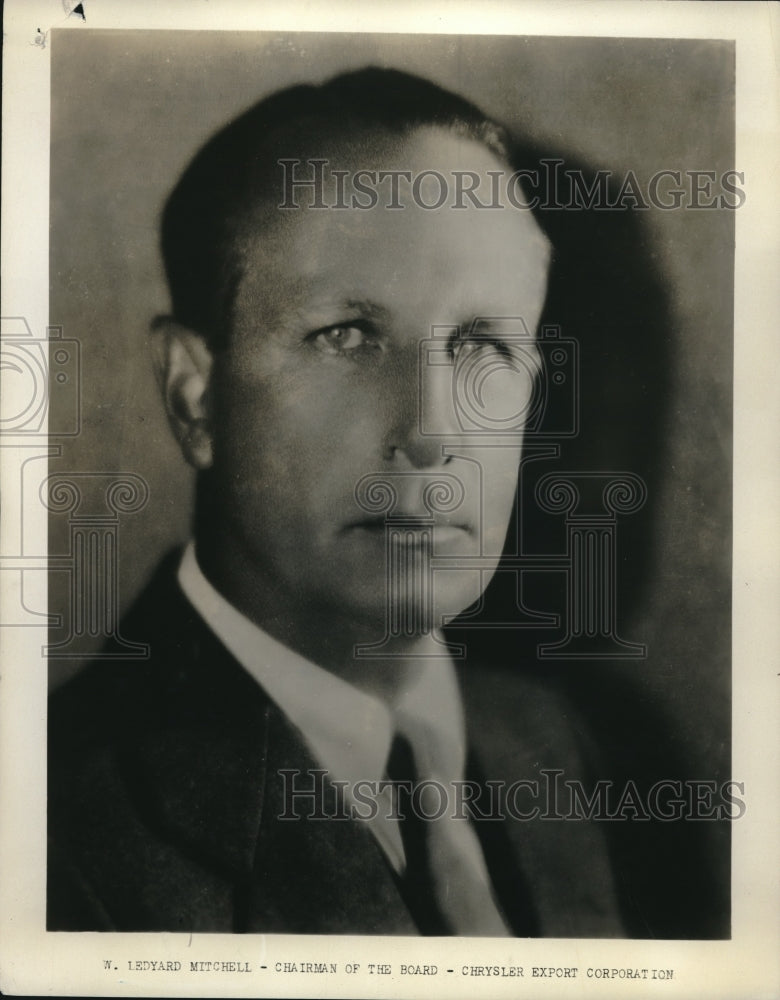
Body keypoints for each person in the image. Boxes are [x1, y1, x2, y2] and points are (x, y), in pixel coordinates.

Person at [47, 67, 725, 936]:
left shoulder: (568, 753)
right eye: (348, 337)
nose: (434, 433)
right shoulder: (53, 831)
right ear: (194, 397)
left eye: (484, 343)